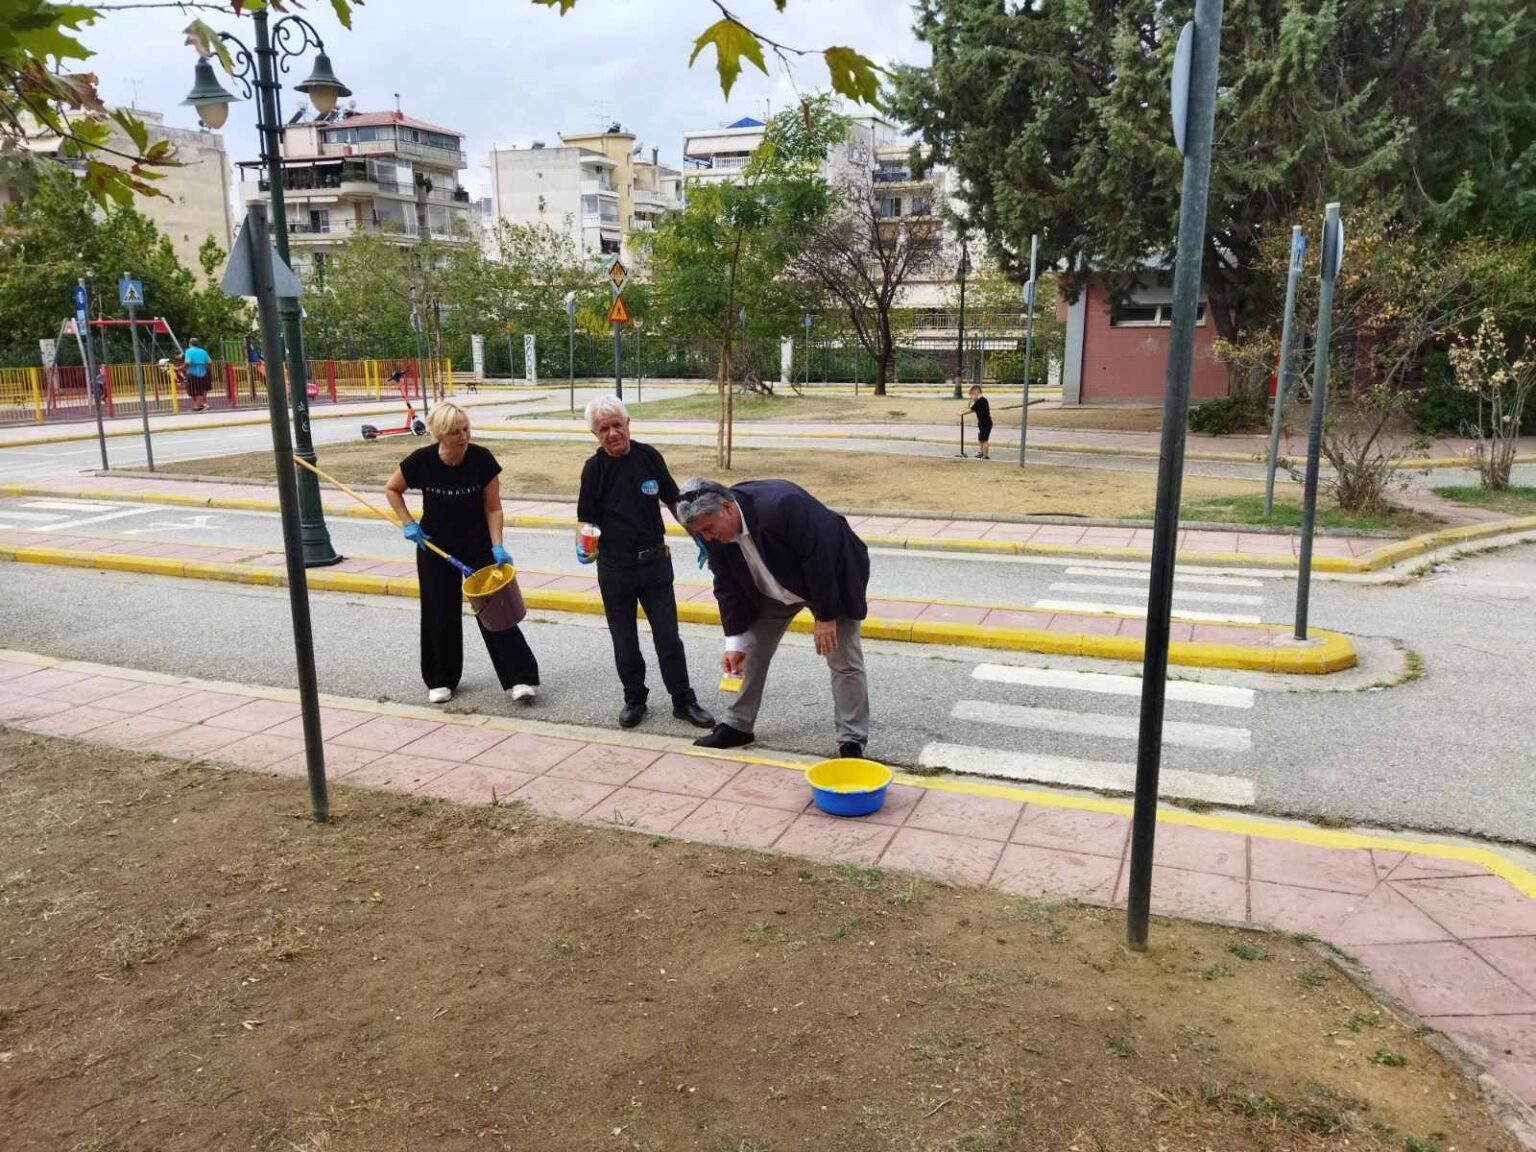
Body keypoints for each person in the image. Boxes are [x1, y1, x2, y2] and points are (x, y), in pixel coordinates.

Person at [677, 478, 871, 759]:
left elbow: (821, 558)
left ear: (728, 508)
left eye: (708, 528)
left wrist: (826, 616)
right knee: (750, 649)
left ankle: (851, 741)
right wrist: (734, 642)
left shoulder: (781, 505)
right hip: (773, 585)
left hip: (830, 579)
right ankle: (738, 725)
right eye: (700, 533)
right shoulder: (712, 533)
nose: (707, 537)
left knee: (844, 659)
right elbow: (727, 586)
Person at [384, 402, 539, 705]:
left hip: (478, 545)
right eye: (455, 432)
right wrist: (409, 524)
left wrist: (497, 545)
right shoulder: (423, 461)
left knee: (497, 610)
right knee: (439, 611)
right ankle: (441, 679)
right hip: (435, 547)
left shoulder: (482, 460)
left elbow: (493, 508)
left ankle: (519, 678)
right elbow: (392, 489)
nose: (464, 437)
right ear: (440, 434)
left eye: (466, 429)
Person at [576, 396, 715, 731]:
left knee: (668, 638)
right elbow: (587, 521)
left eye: (616, 425)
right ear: (595, 434)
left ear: (628, 424)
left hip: (654, 564)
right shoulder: (594, 470)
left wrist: (700, 536)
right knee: (624, 641)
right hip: (614, 568)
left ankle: (683, 701)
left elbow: (674, 501)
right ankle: (634, 699)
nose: (612, 433)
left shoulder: (649, 456)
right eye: (603, 429)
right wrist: (584, 545)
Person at [181, 339, 212, 411]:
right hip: (202, 373)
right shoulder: (203, 351)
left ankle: (197, 407)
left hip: (192, 373)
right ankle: (199, 405)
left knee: (191, 391)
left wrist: (182, 367)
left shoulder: (188, 351)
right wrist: (204, 366)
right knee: (200, 391)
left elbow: (188, 362)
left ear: (190, 344)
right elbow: (210, 362)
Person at [964, 383, 993, 459]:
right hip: (982, 422)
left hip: (986, 423)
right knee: (980, 438)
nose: (972, 397)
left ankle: (985, 455)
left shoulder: (981, 401)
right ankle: (981, 453)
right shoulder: (979, 401)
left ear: (976, 392)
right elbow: (973, 409)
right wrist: (964, 410)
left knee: (984, 439)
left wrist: (961, 413)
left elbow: (971, 410)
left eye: (972, 395)